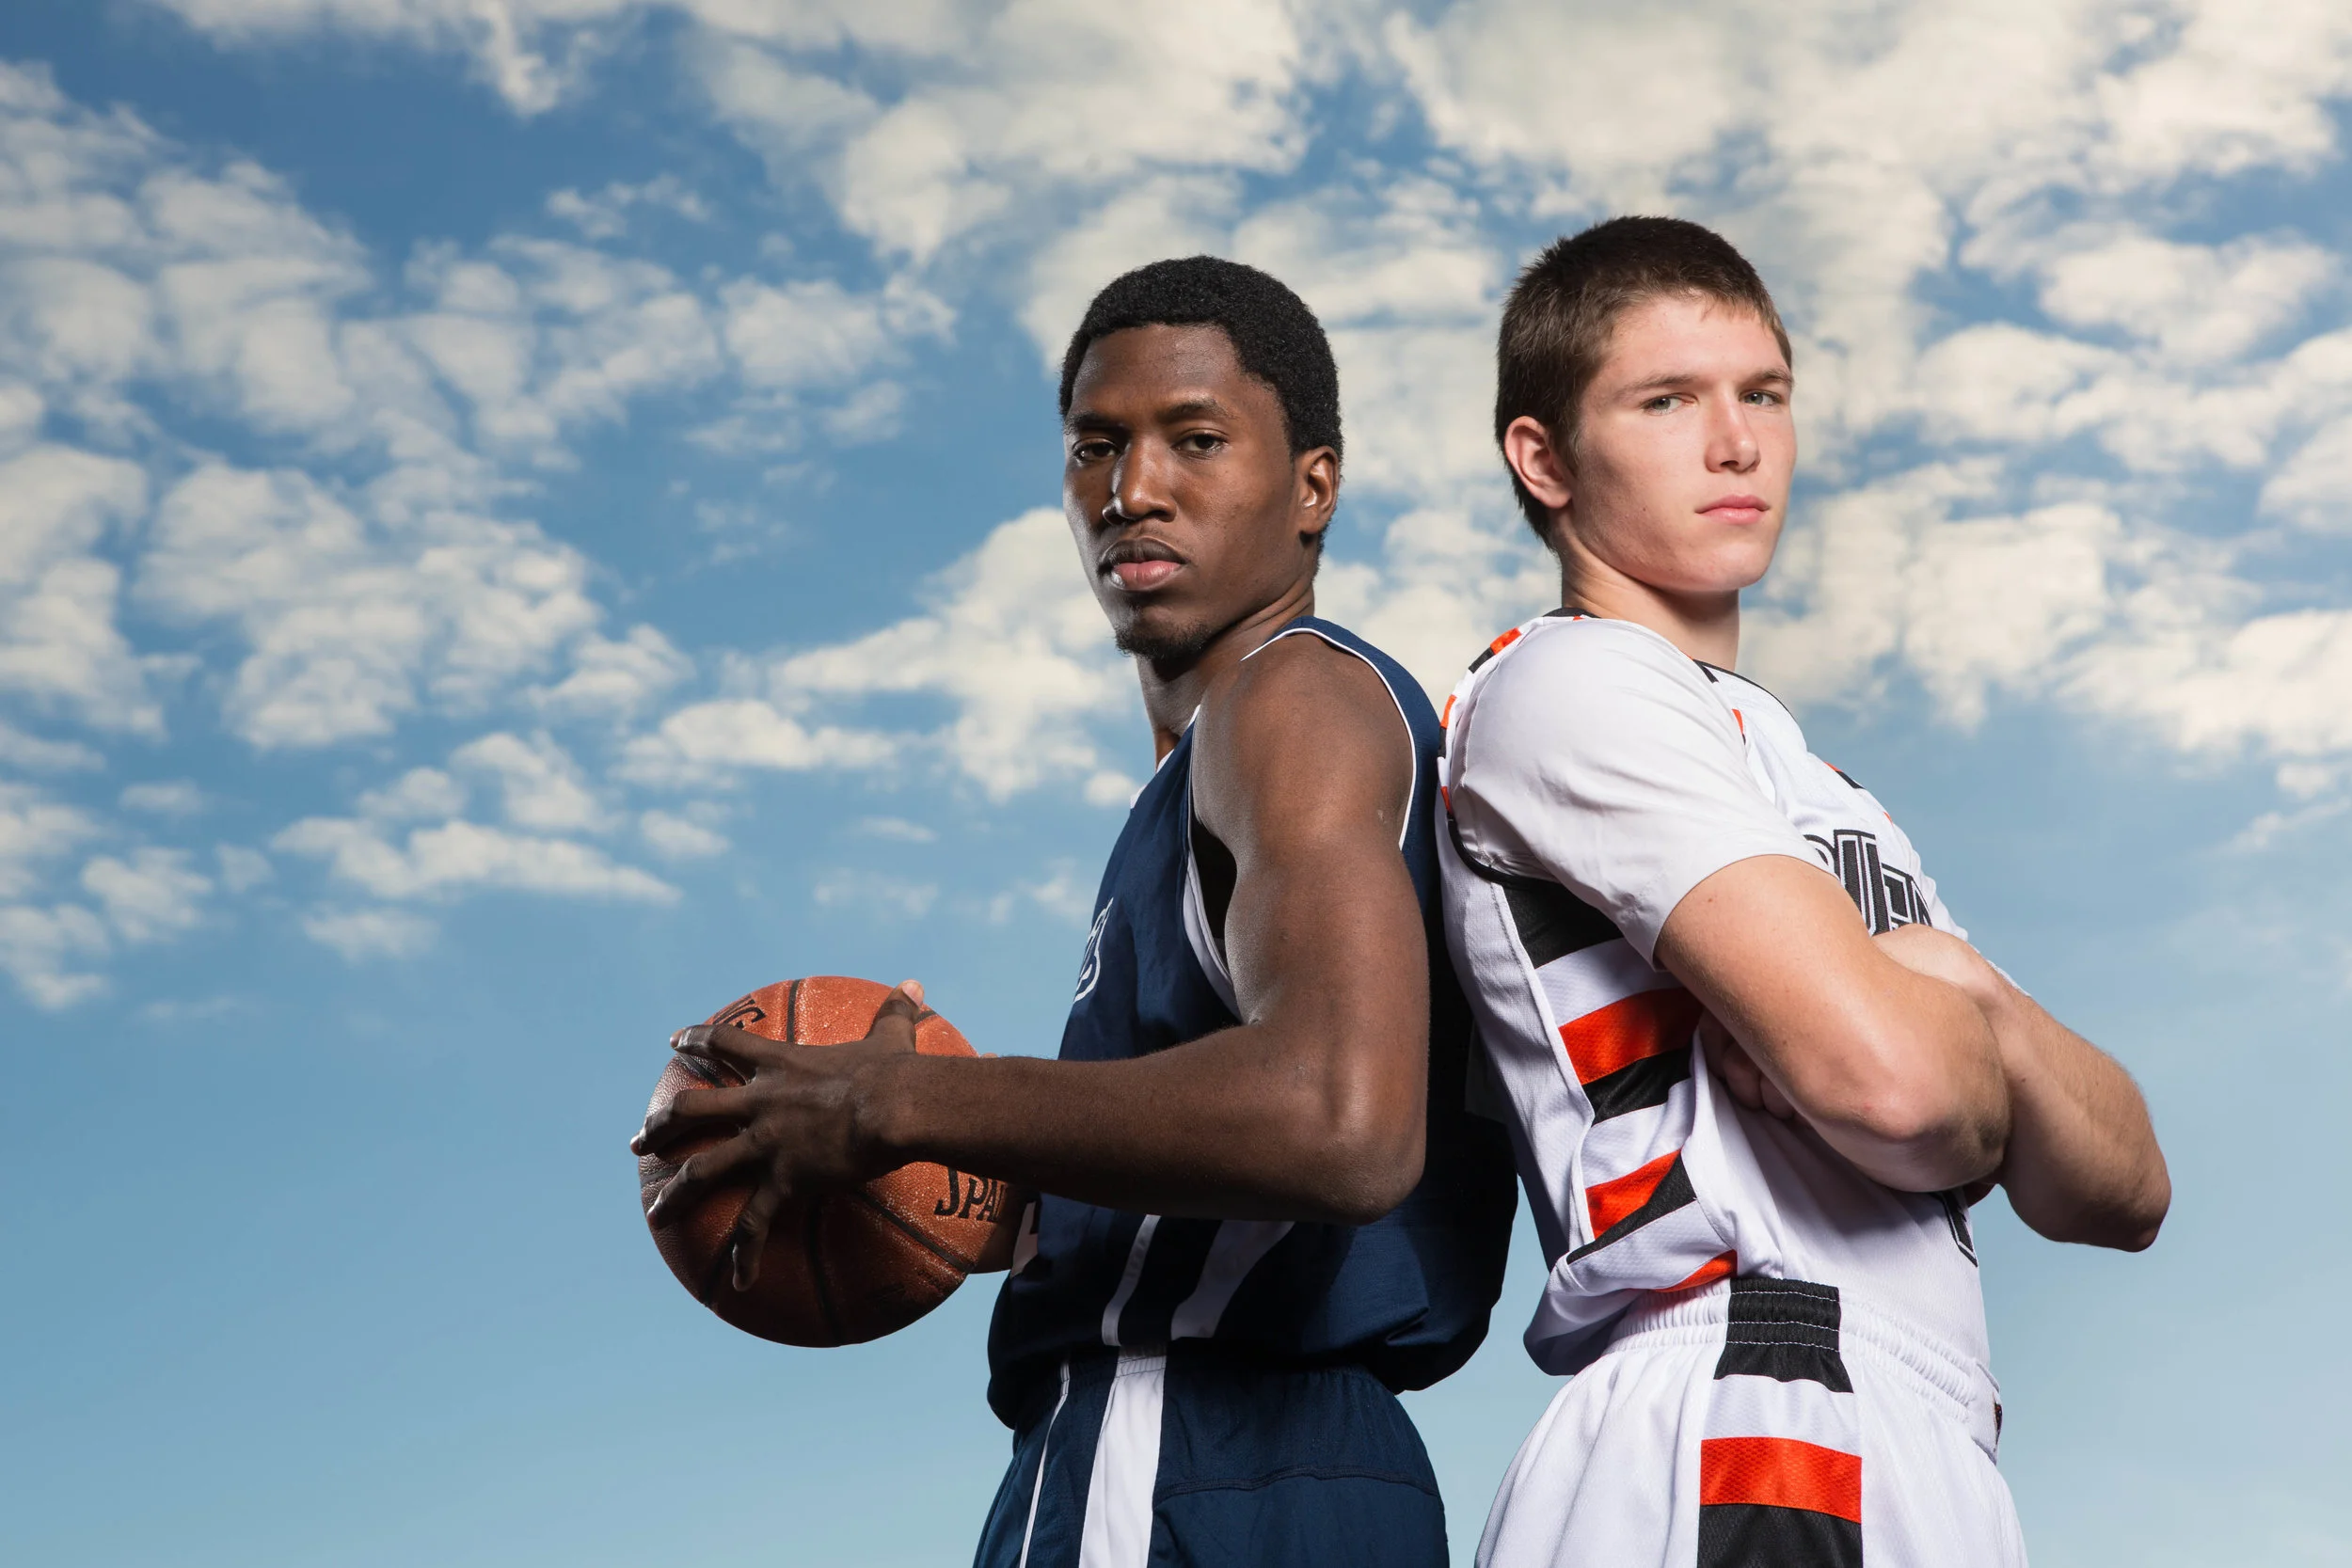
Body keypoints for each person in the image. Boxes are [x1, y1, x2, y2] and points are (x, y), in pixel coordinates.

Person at [634, 256, 1518, 1567]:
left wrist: (900, 1103)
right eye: (1095, 447)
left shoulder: (1293, 704)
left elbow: (1341, 1118)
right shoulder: (1222, 767)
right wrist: (1011, 1199)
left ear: (1313, 487)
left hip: (1188, 1450)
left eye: (1195, 440)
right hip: (1283, 1474)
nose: (1132, 489)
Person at [1436, 216, 2170, 1568]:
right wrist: (1955, 1034)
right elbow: (1900, 1087)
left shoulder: (1826, 789)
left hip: (1925, 1424)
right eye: (1668, 401)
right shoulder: (1570, 685)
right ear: (1542, 458)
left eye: (1762, 393)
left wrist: (1962, 1000)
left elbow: (2123, 1183)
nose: (1738, 444)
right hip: (1747, 1395)